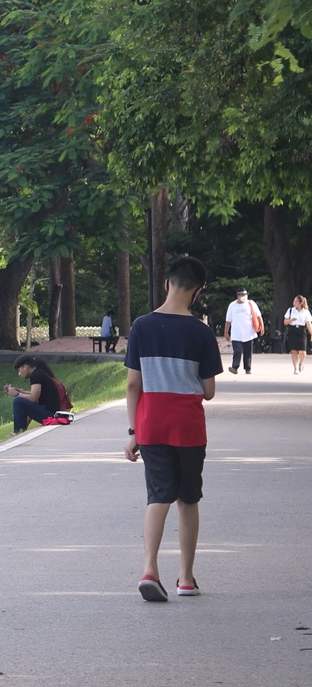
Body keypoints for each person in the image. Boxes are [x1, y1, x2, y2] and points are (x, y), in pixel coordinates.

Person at [125, 254, 219, 601]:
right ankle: (187, 578)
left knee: (158, 496)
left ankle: (149, 568)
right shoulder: (201, 332)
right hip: (188, 427)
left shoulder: (142, 326)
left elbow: (133, 385)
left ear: (168, 283)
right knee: (188, 499)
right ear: (197, 291)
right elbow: (209, 391)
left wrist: (133, 432)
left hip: (151, 425)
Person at [4, 355, 71, 431]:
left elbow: (33, 398)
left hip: (51, 415)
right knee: (21, 400)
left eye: (19, 370)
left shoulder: (36, 375)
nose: (19, 374)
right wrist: (19, 391)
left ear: (26, 367)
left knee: (18, 401)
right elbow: (35, 396)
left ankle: (18, 430)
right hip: (52, 412)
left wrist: (16, 394)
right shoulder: (39, 373)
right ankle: (20, 430)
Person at [222, 288, 262, 375]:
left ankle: (247, 368)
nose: (243, 297)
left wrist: (261, 327)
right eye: (241, 295)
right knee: (237, 351)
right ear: (238, 296)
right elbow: (228, 320)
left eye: (245, 295)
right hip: (236, 333)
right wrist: (226, 332)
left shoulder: (251, 304)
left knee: (248, 352)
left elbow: (258, 316)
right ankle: (234, 367)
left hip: (249, 333)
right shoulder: (232, 305)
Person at [283, 294, 310, 375]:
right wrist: (291, 320)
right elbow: (285, 322)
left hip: (301, 331)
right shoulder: (290, 310)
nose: (294, 303)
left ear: (301, 303)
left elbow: (308, 324)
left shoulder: (306, 312)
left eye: (296, 301)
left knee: (303, 352)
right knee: (294, 351)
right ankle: (295, 368)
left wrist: (311, 333)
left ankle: (301, 364)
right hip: (292, 330)